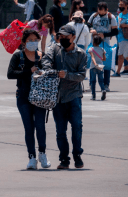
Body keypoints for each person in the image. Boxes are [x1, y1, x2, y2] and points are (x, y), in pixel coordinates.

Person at [42, 25, 87, 169]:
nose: (63, 40)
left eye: (66, 37)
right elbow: (45, 60)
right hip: (58, 97)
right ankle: (64, 159)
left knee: (77, 127)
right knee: (60, 131)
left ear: (73, 37)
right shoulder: (55, 49)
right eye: (61, 37)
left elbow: (81, 76)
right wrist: (49, 68)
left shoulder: (81, 54)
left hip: (74, 96)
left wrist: (67, 74)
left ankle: (77, 155)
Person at [7, 30, 51, 170]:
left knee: (40, 126)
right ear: (24, 41)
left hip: (40, 97)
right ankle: (31, 157)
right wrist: (28, 71)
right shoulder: (18, 56)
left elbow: (50, 73)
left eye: (35, 40)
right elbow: (10, 74)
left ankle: (42, 154)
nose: (33, 43)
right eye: (30, 40)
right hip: (23, 97)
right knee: (29, 128)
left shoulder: (42, 56)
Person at [87, 2, 118, 91]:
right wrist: (91, 30)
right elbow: (88, 25)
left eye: (102, 11)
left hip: (105, 43)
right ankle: (91, 84)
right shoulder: (94, 16)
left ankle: (106, 84)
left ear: (106, 10)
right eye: (99, 11)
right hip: (94, 42)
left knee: (106, 64)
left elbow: (115, 31)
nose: (100, 13)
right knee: (92, 63)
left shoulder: (111, 17)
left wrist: (104, 34)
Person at [88, 35, 107, 100]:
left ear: (93, 41)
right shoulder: (102, 49)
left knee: (93, 81)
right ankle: (103, 90)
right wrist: (101, 57)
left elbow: (92, 57)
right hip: (100, 67)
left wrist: (95, 64)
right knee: (101, 80)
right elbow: (104, 59)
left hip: (93, 67)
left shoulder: (91, 49)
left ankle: (93, 95)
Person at [113, 0, 128, 77]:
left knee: (120, 56)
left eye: (122, 5)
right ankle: (118, 72)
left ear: (126, 6)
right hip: (120, 37)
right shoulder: (119, 15)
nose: (120, 6)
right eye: (119, 5)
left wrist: (123, 25)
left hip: (125, 38)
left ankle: (118, 72)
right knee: (125, 56)